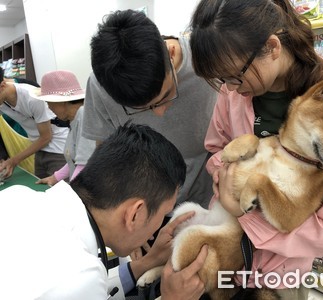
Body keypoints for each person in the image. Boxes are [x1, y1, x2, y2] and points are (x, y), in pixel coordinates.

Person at [189, 0, 323, 299]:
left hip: (280, 279)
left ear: (273, 47)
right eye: (223, 79)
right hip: (224, 256)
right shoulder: (234, 92)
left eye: (235, 76)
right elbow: (217, 147)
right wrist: (223, 174)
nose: (231, 88)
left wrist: (247, 216)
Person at [83, 10, 217, 296]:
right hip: (145, 216)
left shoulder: (208, 61)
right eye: (142, 109)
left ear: (170, 52)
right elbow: (107, 154)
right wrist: (131, 231)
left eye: (166, 96)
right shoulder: (101, 85)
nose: (159, 113)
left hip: (207, 209)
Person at [0, 123, 208, 300]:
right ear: (135, 213)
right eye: (164, 214)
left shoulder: (17, 195)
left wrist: (147, 262)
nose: (158, 227)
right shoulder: (79, 277)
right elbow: (82, 283)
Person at [30, 70, 96, 185]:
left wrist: (73, 191)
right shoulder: (74, 119)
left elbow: (84, 164)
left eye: (48, 102)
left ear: (62, 102)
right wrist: (55, 177)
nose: (49, 107)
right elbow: (74, 159)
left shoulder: (83, 115)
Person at [0, 67, 68, 178]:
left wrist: (13, 161)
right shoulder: (2, 101)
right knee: (41, 188)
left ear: (2, 86)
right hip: (39, 149)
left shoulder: (32, 97)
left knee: (61, 191)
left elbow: (46, 137)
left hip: (59, 149)